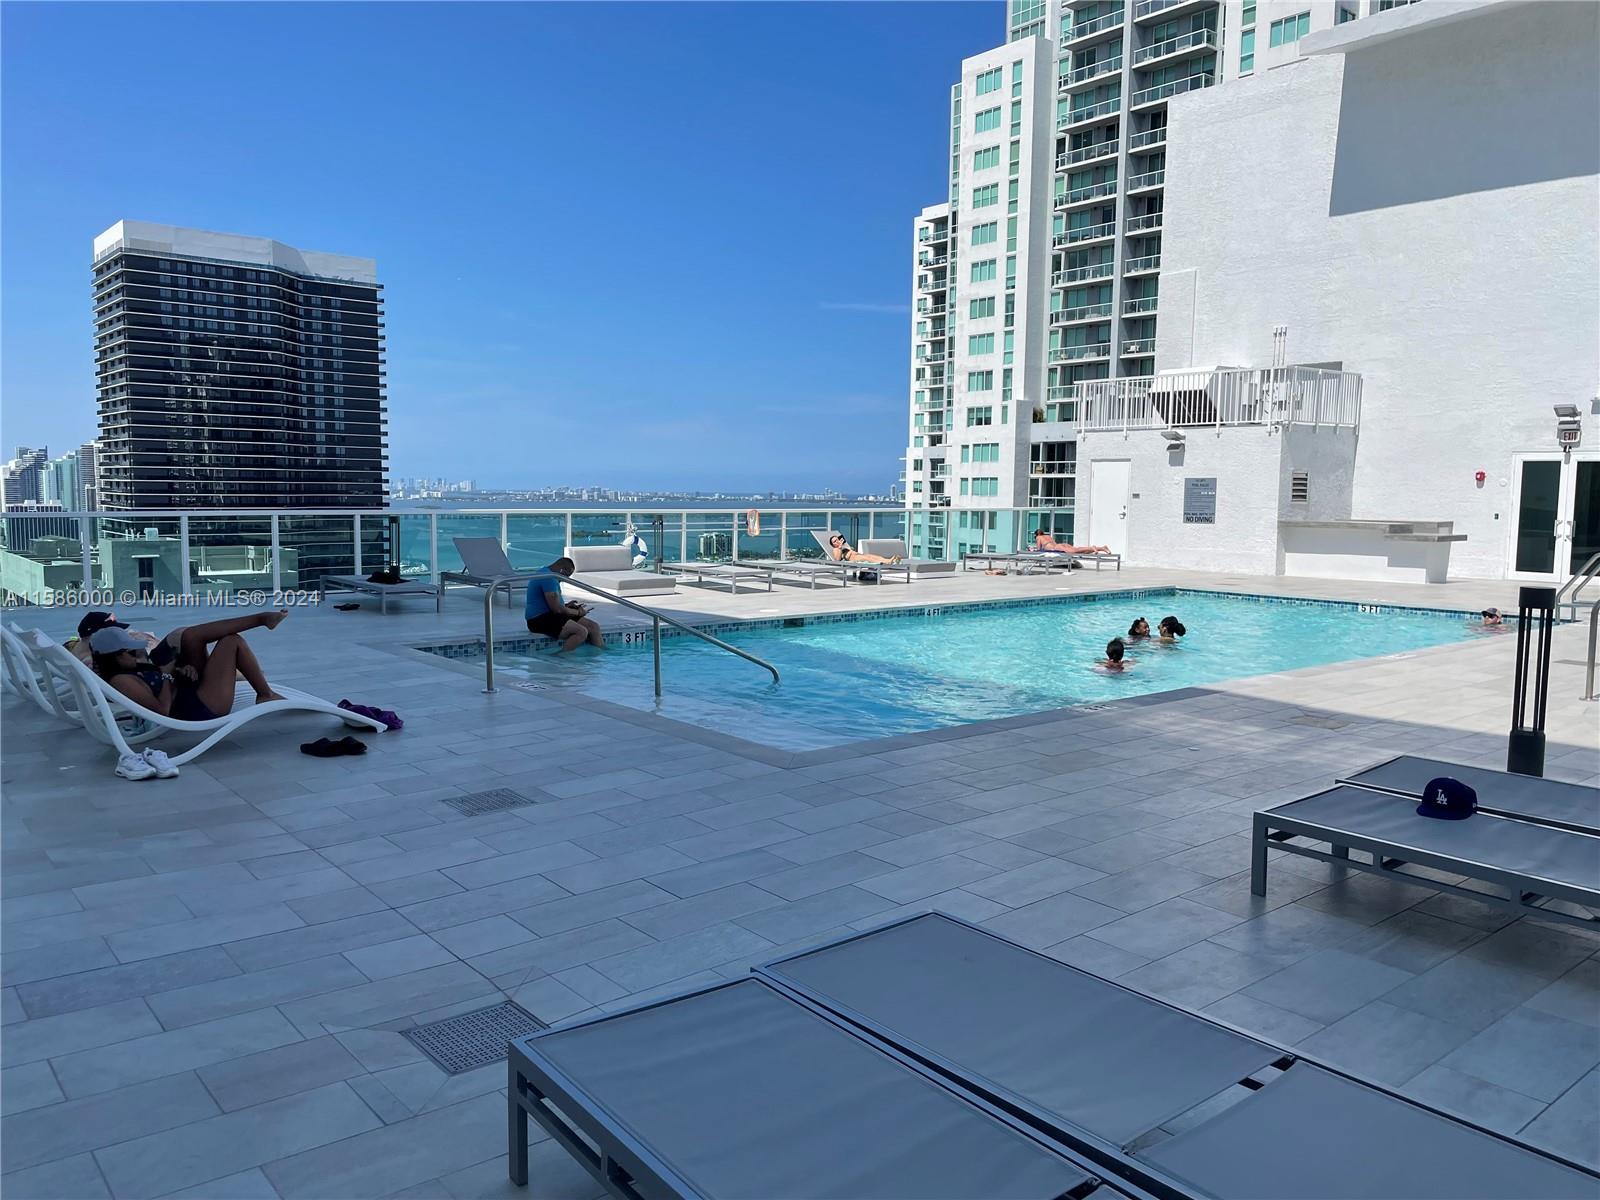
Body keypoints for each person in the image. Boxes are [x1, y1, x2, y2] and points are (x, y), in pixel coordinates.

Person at [88, 609, 288, 721]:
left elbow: (159, 681)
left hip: (189, 692)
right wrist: (168, 676)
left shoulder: (129, 668)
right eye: (132, 652)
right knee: (231, 642)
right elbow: (161, 711)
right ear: (113, 657)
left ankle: (261, 619)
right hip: (200, 708)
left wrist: (179, 672)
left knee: (190, 637)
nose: (138, 655)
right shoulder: (122, 681)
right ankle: (265, 695)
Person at [525, 558, 604, 652]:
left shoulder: (548, 574)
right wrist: (578, 612)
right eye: (566, 576)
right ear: (562, 570)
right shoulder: (548, 578)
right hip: (539, 620)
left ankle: (601, 653)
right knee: (581, 632)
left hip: (551, 615)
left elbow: (554, 605)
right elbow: (557, 609)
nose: (565, 579)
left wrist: (566, 606)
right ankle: (561, 657)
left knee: (593, 627)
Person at [825, 534, 902, 565]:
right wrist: (840, 547)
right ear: (833, 544)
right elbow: (837, 559)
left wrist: (848, 547)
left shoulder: (843, 546)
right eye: (834, 541)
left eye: (837, 539)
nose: (837, 541)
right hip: (854, 558)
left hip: (858, 554)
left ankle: (890, 561)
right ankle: (888, 562)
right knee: (868, 558)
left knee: (873, 556)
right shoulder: (836, 549)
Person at [1032, 530, 1111, 554]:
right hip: (1060, 545)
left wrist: (1033, 551)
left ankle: (1092, 547)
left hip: (1057, 547)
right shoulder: (1048, 536)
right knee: (1078, 550)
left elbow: (1039, 549)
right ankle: (1102, 548)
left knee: (1076, 551)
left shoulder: (1039, 537)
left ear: (1037, 534)